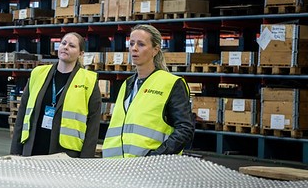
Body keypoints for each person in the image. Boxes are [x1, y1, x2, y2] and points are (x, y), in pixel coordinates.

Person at [103, 24, 194, 157]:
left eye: (141, 44)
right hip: (117, 167)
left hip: (149, 169)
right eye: (132, 43)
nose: (134, 48)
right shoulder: (127, 84)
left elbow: (185, 129)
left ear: (155, 50)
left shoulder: (171, 83)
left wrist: (156, 157)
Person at [10, 32, 101, 157]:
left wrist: (85, 160)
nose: (65, 47)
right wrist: (15, 151)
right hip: (33, 147)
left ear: (81, 54)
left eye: (72, 46)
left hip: (66, 154)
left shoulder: (88, 81)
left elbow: (93, 125)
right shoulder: (38, 73)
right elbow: (22, 113)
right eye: (63, 43)